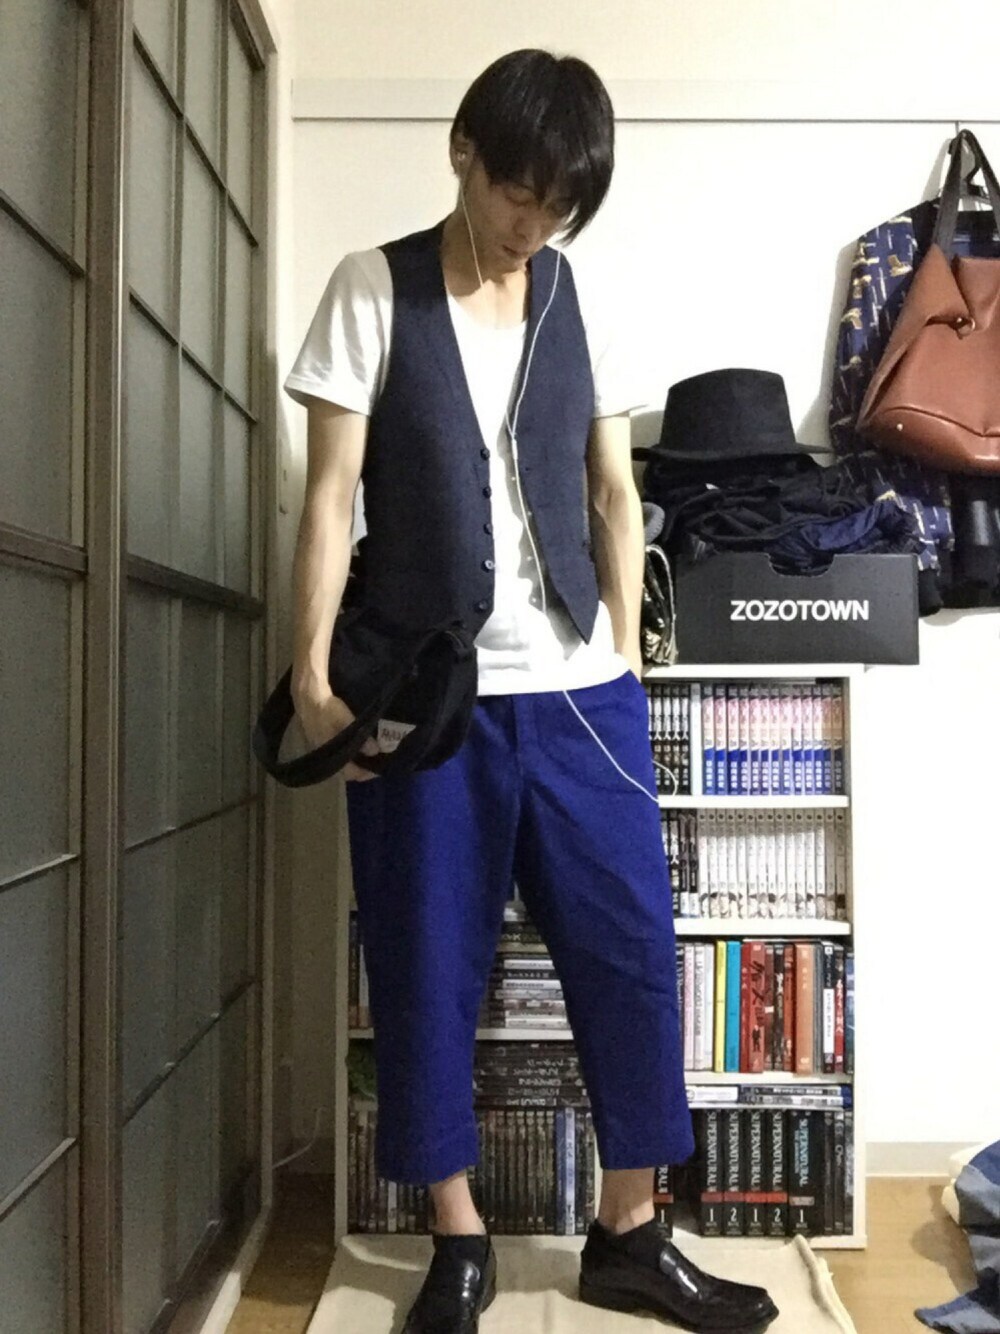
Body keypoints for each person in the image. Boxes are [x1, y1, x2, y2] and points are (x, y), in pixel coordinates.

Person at [284, 48, 779, 1334]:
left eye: (560, 205)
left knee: (631, 953)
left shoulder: (577, 298)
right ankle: (459, 1239)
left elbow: (615, 490)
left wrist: (624, 659)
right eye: (520, 192)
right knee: (423, 963)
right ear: (464, 152)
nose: (534, 223)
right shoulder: (371, 288)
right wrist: (311, 676)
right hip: (422, 693)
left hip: (577, 692)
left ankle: (629, 1230)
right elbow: (329, 499)